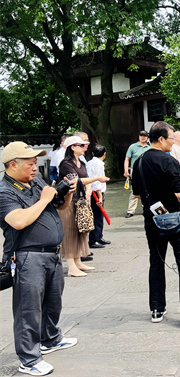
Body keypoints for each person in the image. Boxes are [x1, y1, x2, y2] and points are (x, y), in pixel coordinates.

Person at [0, 141, 78, 376]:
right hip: (27, 256)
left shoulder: (35, 182)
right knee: (28, 310)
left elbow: (58, 207)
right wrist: (44, 199)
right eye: (30, 164)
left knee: (53, 302)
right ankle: (29, 359)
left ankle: (50, 339)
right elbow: (18, 221)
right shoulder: (4, 191)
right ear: (13, 165)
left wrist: (66, 195)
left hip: (51, 253)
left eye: (36, 163)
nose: (35, 168)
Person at [131, 121, 180, 324]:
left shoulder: (139, 161)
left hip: (152, 218)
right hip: (175, 217)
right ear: (161, 139)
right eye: (171, 138)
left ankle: (156, 309)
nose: (173, 142)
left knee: (156, 261)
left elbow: (137, 193)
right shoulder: (169, 161)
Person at [57, 136, 109, 277]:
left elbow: (85, 180)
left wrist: (88, 191)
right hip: (67, 201)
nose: (84, 147)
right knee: (69, 232)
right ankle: (72, 267)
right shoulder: (66, 163)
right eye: (81, 145)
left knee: (79, 230)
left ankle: (78, 261)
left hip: (79, 200)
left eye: (84, 145)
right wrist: (97, 178)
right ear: (72, 147)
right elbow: (76, 180)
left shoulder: (81, 162)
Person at [87, 144, 111, 249]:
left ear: (93, 153)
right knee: (97, 216)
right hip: (96, 191)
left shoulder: (89, 163)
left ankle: (99, 236)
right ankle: (94, 239)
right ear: (104, 154)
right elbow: (97, 181)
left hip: (91, 190)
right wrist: (100, 196)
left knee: (98, 215)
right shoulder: (99, 164)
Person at [124, 130, 150, 218]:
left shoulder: (149, 148)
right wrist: (126, 170)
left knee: (146, 190)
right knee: (134, 190)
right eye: (141, 135)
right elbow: (127, 159)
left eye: (145, 136)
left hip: (145, 170)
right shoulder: (133, 147)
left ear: (147, 137)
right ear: (139, 136)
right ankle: (130, 210)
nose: (143, 137)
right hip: (134, 170)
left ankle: (146, 208)